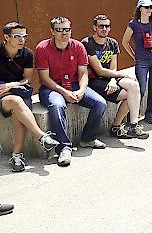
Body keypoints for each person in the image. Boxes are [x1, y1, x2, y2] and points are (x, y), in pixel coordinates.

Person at [36, 17, 107, 167]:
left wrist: (81, 90)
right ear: (52, 31)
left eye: (67, 29)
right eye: (59, 30)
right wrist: (64, 92)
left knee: (100, 103)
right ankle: (64, 148)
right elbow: (44, 77)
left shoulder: (78, 46)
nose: (64, 33)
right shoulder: (42, 48)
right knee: (57, 105)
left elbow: (83, 73)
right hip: (52, 87)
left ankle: (88, 138)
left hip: (74, 85)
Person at [1, 22, 58, 172]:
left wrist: (11, 85)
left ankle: (17, 156)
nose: (22, 40)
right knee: (16, 102)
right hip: (2, 96)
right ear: (6, 37)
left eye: (24, 36)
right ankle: (42, 137)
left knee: (18, 105)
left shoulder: (27, 54)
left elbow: (28, 79)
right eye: (17, 36)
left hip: (18, 92)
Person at [82, 15, 148, 139]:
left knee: (133, 86)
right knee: (131, 95)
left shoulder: (112, 43)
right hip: (94, 81)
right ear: (94, 28)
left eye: (107, 26)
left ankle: (133, 125)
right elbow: (99, 71)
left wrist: (113, 80)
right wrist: (122, 74)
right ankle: (116, 127)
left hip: (110, 78)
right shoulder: (87, 43)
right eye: (101, 26)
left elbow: (113, 68)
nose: (104, 29)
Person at [122, 0, 152, 124]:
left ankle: (149, 114)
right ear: (140, 9)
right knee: (140, 89)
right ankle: (132, 117)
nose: (149, 10)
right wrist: (133, 56)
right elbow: (124, 42)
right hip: (142, 61)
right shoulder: (133, 24)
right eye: (147, 7)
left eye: (151, 8)